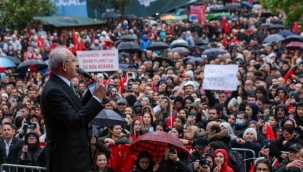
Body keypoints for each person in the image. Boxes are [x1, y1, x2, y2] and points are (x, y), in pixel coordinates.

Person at [40, 47, 107, 172]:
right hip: (66, 162)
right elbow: (75, 121)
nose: (77, 64)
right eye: (74, 60)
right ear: (64, 66)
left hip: (76, 158)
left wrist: (91, 92)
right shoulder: (53, 90)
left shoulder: (63, 85)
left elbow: (77, 110)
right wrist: (97, 98)